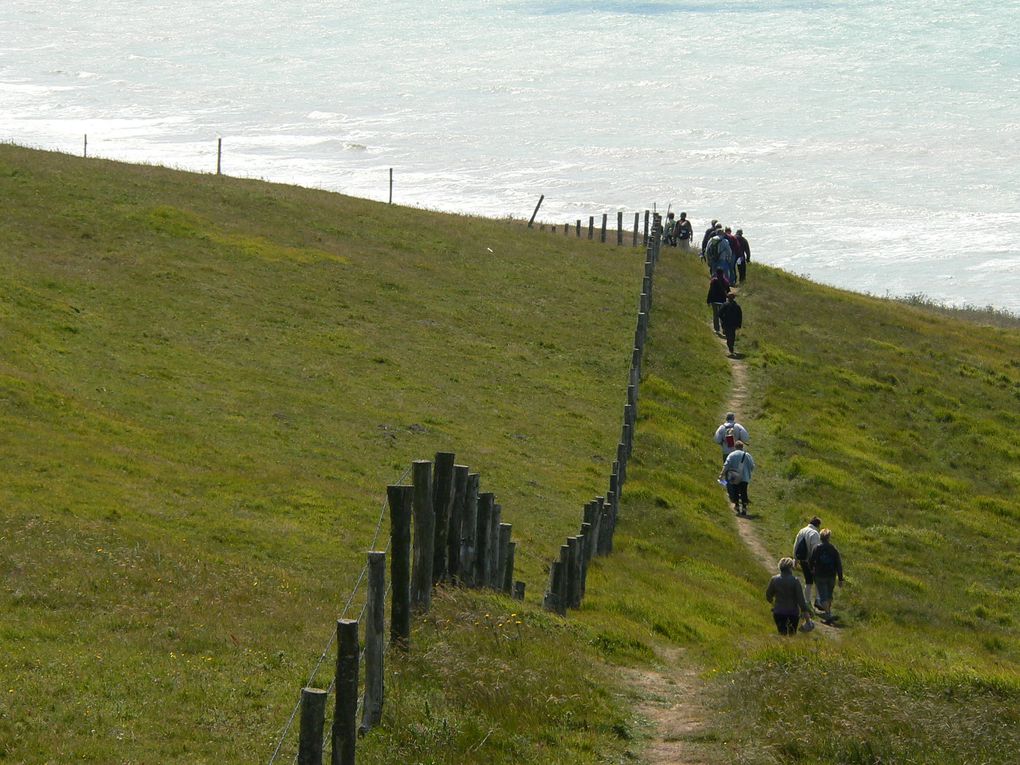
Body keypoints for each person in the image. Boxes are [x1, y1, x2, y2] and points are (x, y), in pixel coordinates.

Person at [765, 557, 812, 635]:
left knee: (782, 634)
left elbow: (768, 595)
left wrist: (774, 604)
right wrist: (805, 612)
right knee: (791, 635)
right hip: (792, 613)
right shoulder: (795, 581)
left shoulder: (774, 580)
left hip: (779, 612)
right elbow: (801, 600)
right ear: (790, 568)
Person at [807, 528, 844, 621]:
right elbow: (838, 564)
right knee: (829, 595)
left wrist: (811, 570)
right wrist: (840, 578)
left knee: (823, 595)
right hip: (831, 575)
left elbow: (811, 561)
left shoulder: (817, 548)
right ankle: (829, 613)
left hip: (819, 575)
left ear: (821, 537)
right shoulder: (833, 549)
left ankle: (828, 614)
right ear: (829, 537)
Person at [793, 516, 822, 608]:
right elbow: (815, 549)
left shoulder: (802, 530)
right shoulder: (815, 534)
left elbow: (796, 544)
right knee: (817, 581)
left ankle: (807, 602)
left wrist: (795, 558)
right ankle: (817, 600)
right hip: (811, 561)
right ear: (818, 525)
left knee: (808, 582)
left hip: (802, 559)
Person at [719, 440, 754, 515]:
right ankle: (744, 507)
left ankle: (737, 506)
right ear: (742, 447)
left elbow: (726, 465)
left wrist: (722, 474)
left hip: (734, 477)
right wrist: (747, 472)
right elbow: (752, 466)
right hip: (745, 477)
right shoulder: (747, 455)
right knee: (744, 492)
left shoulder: (731, 455)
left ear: (735, 447)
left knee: (735, 491)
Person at [718, 291, 743, 356]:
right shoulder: (737, 306)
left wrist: (723, 319)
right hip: (733, 324)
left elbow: (719, 314)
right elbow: (740, 316)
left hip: (726, 323)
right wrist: (739, 325)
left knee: (728, 335)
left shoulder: (724, 305)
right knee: (732, 335)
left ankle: (730, 346)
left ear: (728, 298)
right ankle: (731, 346)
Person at [706, 268, 730, 334]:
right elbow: (728, 291)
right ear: (723, 274)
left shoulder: (713, 281)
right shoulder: (725, 282)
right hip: (722, 301)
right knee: (722, 315)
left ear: (716, 274)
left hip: (714, 301)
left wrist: (708, 301)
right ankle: (724, 328)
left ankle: (717, 329)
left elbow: (710, 291)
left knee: (715, 315)